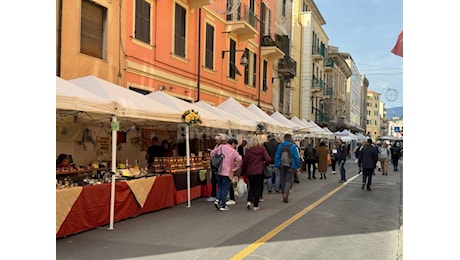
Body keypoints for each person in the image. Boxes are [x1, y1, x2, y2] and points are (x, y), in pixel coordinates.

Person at [210, 133, 242, 211]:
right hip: (228, 171)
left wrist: (216, 158)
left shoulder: (220, 147)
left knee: (220, 187)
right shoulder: (233, 151)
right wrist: (236, 167)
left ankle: (218, 200)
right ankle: (222, 205)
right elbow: (239, 159)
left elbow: (212, 154)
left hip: (219, 170)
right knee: (225, 188)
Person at [241, 136, 271, 211]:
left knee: (251, 186)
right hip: (259, 171)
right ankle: (255, 205)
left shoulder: (248, 151)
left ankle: (249, 201)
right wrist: (264, 164)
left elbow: (245, 162)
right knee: (258, 188)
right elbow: (268, 159)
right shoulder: (262, 150)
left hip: (250, 171)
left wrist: (243, 172)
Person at [274, 134, 301, 203]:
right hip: (291, 165)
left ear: (284, 138)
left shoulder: (280, 146)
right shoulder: (293, 146)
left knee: (282, 180)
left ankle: (283, 193)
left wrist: (277, 165)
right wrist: (298, 166)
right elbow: (296, 157)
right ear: (290, 138)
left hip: (282, 165)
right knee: (288, 180)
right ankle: (286, 193)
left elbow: (277, 156)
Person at [206, 133, 225, 202]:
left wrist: (212, 152)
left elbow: (218, 154)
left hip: (218, 165)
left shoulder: (222, 146)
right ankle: (215, 195)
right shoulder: (217, 145)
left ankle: (219, 196)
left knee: (218, 181)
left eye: (217, 140)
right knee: (214, 181)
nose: (216, 141)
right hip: (215, 165)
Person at [225, 138, 239, 206]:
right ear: (233, 144)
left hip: (226, 169)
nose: (235, 146)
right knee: (230, 183)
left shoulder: (226, 150)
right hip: (230, 169)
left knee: (229, 183)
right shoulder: (233, 151)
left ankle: (231, 198)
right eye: (235, 145)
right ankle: (231, 197)